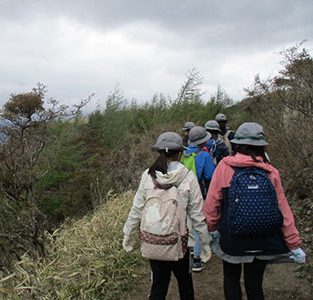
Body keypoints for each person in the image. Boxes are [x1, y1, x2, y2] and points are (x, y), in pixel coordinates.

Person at [204, 122, 306, 300]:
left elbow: (212, 203)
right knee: (254, 283)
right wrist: (293, 243)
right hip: (263, 239)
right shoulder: (270, 171)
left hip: (233, 238)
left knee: (231, 278)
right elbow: (283, 209)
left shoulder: (224, 167)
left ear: (237, 144)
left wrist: (212, 229)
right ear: (261, 146)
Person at [123, 132, 211, 300]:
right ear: (180, 153)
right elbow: (197, 214)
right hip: (182, 244)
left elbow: (137, 208)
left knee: (158, 286)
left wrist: (128, 232)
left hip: (154, 241)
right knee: (185, 285)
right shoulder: (188, 177)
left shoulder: (148, 175)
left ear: (159, 153)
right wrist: (205, 242)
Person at [185, 126, 216, 272]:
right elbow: (210, 176)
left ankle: (185, 253)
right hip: (198, 193)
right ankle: (197, 259)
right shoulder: (204, 155)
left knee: (185, 223)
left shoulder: (182, 153)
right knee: (198, 224)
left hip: (181, 194)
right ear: (204, 141)